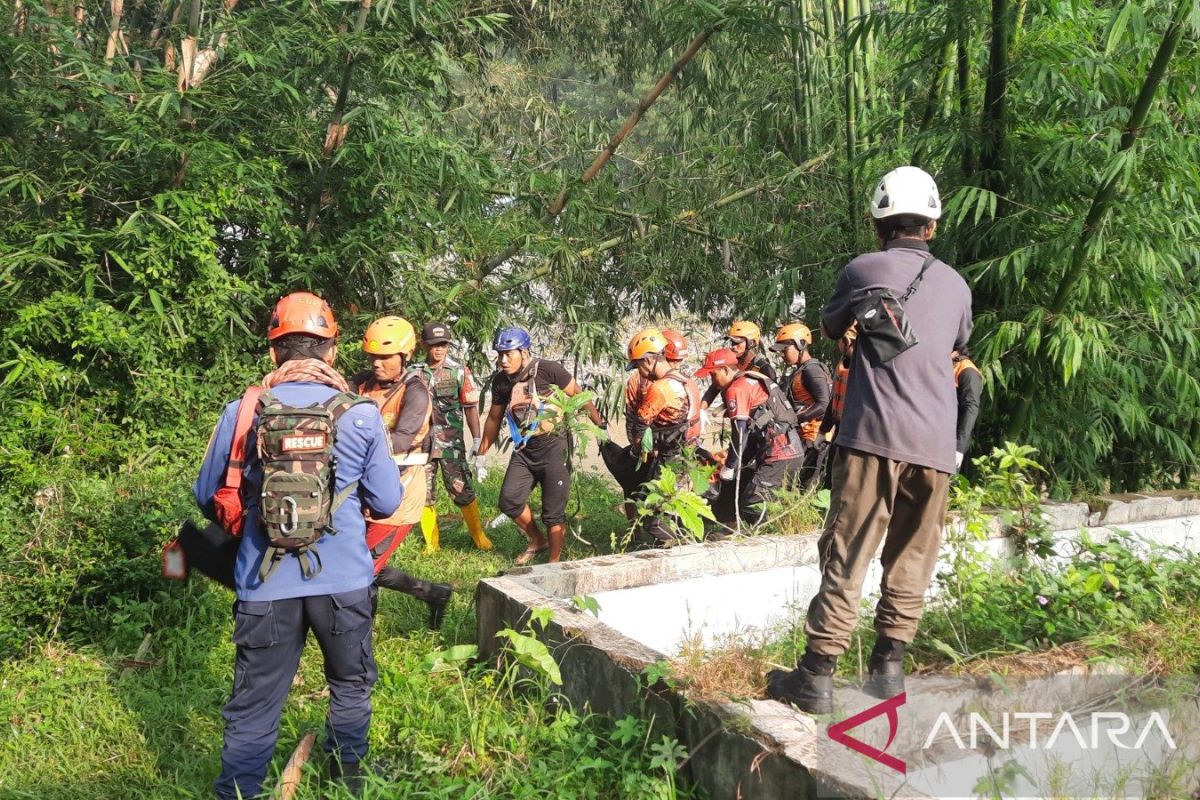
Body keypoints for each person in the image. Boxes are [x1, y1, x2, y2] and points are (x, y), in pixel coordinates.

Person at [767, 166, 972, 714]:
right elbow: (956, 345)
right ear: (931, 226)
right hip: (934, 448)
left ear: (878, 224)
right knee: (913, 555)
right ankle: (888, 670)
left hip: (872, 439)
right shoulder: (956, 283)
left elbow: (833, 327)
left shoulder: (863, 269)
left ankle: (816, 674)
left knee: (848, 550)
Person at [195, 292, 401, 799]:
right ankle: (349, 782)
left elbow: (207, 497)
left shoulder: (244, 410)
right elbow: (389, 499)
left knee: (255, 705)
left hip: (262, 585)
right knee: (350, 686)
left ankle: (238, 792)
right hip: (345, 582)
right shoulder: (359, 414)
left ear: (273, 352)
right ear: (332, 352)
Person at [349, 316, 453, 630]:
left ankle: (357, 644)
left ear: (404, 356)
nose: (377, 363)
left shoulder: (415, 392)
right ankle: (434, 593)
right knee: (365, 563)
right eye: (373, 356)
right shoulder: (359, 384)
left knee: (360, 568)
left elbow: (400, 440)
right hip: (360, 491)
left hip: (399, 494)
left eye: (385, 357)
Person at [477, 326, 605, 565]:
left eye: (509, 354)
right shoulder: (501, 382)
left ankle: (553, 562)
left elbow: (579, 396)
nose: (503, 360)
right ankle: (537, 540)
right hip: (525, 449)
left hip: (554, 447)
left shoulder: (548, 370)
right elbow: (494, 417)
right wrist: (480, 453)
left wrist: (601, 428)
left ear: (524, 352)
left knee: (553, 512)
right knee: (509, 500)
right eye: (499, 354)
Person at [695, 347, 802, 528]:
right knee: (733, 487)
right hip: (787, 450)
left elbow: (740, 432)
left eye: (713, 375)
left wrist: (730, 465)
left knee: (752, 501)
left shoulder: (736, 388)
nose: (713, 381)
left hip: (780, 455)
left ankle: (765, 536)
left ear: (726, 370)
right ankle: (729, 529)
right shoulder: (749, 379)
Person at [410, 321, 493, 552]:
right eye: (434, 344)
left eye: (443, 344)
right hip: (422, 444)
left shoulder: (458, 372)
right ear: (425, 345)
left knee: (462, 489)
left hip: (450, 444)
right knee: (424, 492)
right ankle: (431, 544)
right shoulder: (413, 373)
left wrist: (477, 441)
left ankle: (479, 537)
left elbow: (470, 407)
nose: (438, 349)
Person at [627, 328, 702, 544]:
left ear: (649, 360)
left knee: (652, 518)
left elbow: (640, 426)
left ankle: (683, 549)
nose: (639, 372)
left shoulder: (659, 389)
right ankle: (674, 545)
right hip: (688, 455)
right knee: (672, 511)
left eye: (638, 365)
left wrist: (638, 449)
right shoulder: (688, 383)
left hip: (671, 460)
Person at [770, 323, 832, 488]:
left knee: (804, 486)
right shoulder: (801, 370)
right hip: (804, 438)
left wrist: (793, 418)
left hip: (814, 439)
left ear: (801, 345)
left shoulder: (812, 370)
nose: (782, 355)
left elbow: (824, 404)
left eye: (785, 350)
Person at [700, 321, 777, 410]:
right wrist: (700, 411)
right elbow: (713, 390)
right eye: (732, 343)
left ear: (751, 343)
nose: (733, 347)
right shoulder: (728, 365)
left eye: (737, 343)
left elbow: (774, 399)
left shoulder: (764, 369)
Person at [815, 327, 857, 488]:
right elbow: (835, 399)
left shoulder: (866, 368)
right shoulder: (845, 362)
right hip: (840, 429)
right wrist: (824, 430)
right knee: (831, 475)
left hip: (855, 433)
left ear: (846, 341)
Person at [953, 348, 983, 470]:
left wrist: (959, 448)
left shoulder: (968, 371)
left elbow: (970, 409)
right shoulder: (948, 366)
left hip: (950, 442)